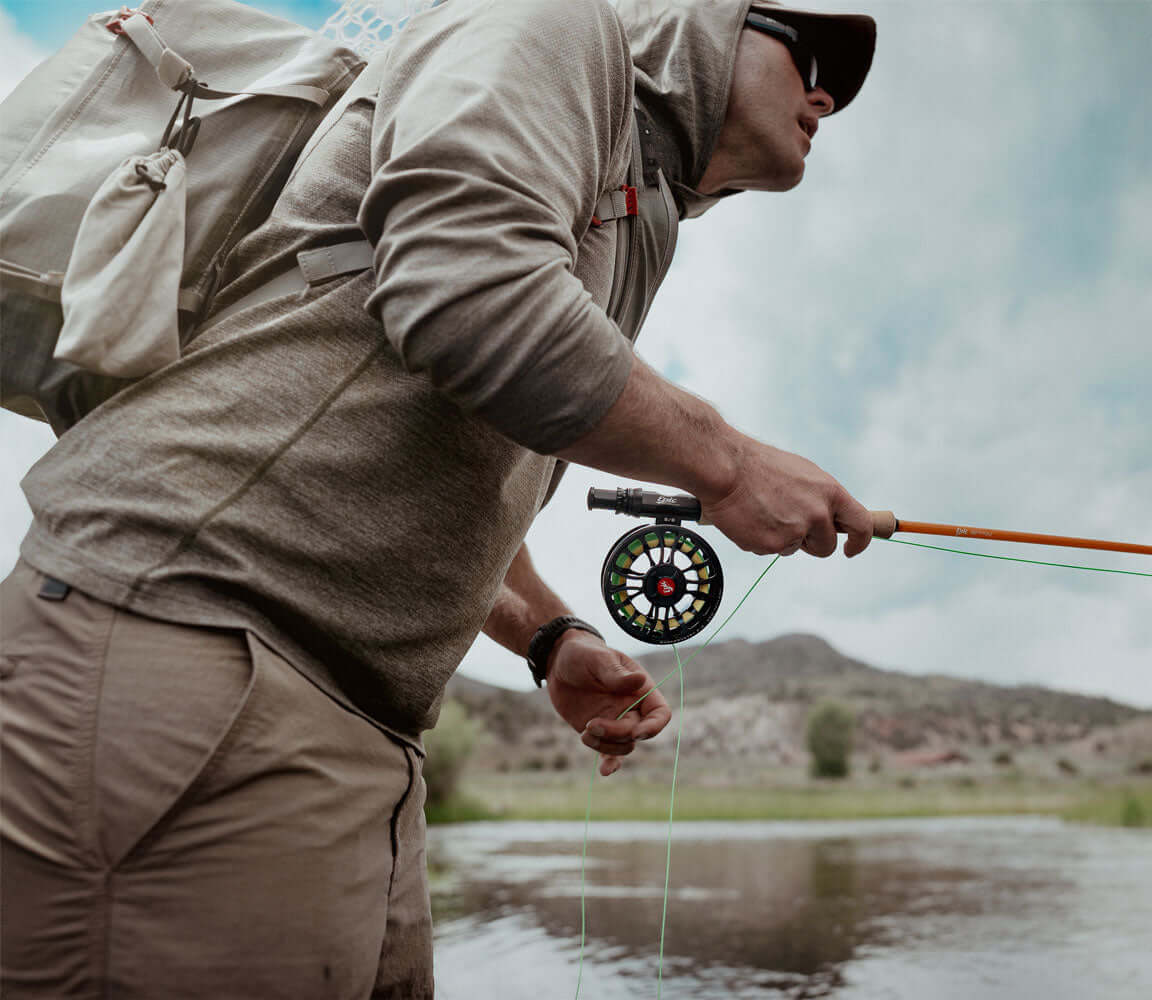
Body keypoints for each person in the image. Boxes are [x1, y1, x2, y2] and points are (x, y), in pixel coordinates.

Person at [0, 0, 877, 995]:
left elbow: (433, 436)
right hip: (195, 641)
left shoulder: (631, 210)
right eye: (811, 56)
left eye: (839, 91)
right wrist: (732, 464)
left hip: (363, 737)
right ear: (699, 22)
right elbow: (464, 283)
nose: (824, 96)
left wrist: (547, 637)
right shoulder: (557, 23)